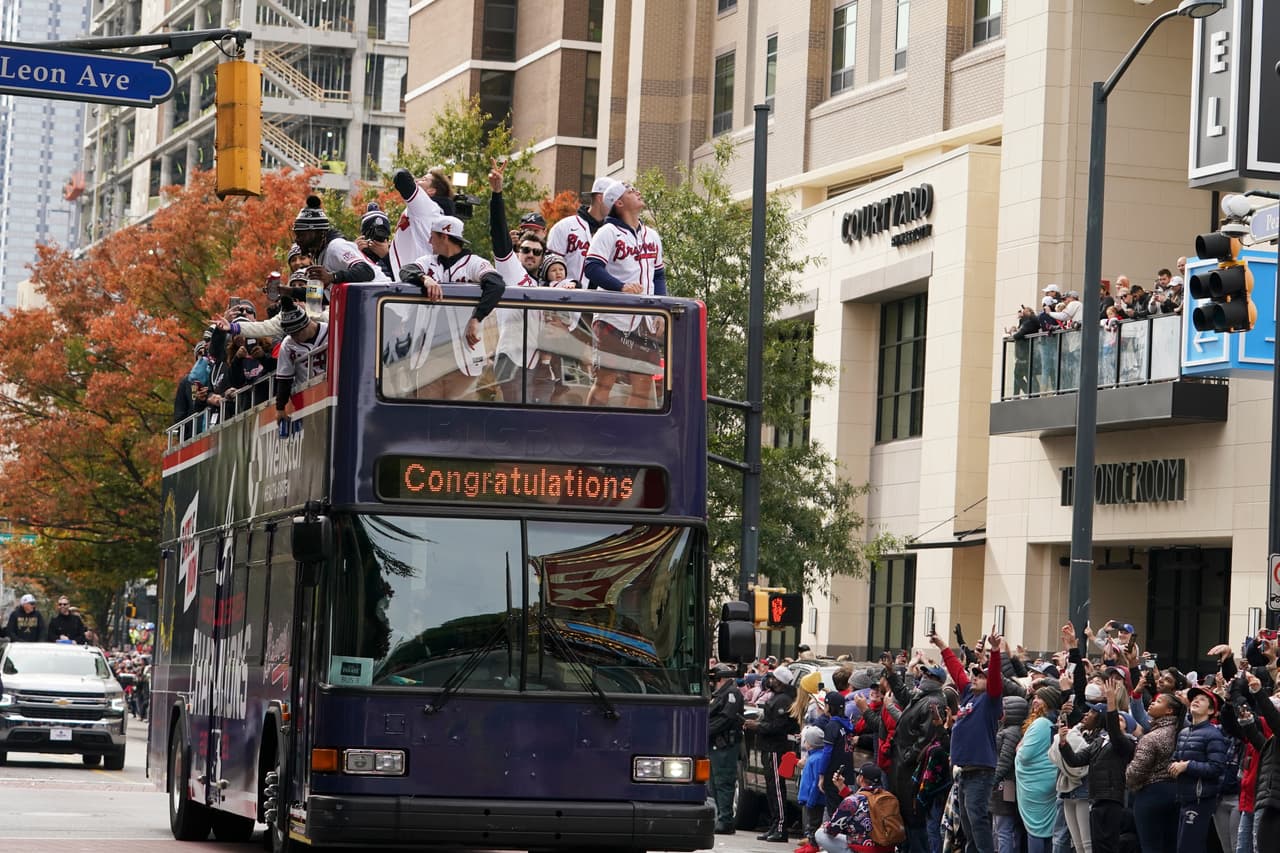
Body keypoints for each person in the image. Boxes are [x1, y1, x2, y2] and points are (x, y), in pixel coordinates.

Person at [396, 216, 507, 400]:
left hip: (465, 356)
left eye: (433, 236)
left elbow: (496, 284)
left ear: (445, 236)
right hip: (431, 354)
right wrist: (425, 279)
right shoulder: (428, 262)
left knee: (460, 417)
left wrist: (476, 318)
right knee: (429, 415)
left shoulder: (473, 263)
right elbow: (405, 271)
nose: (430, 241)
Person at [583, 181, 667, 408]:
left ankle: (629, 435)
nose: (638, 192)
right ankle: (593, 430)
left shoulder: (652, 235)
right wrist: (620, 286)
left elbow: (659, 276)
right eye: (630, 191)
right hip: (614, 317)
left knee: (643, 384)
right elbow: (591, 267)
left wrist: (661, 310)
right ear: (618, 203)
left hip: (644, 320)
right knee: (605, 380)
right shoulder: (608, 232)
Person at [940, 625, 1003, 853]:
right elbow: (957, 671)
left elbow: (995, 680)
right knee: (967, 823)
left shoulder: (990, 700)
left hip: (981, 771)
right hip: (964, 771)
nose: (974, 677)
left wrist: (995, 652)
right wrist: (943, 647)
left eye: (980, 676)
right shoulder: (968, 696)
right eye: (974, 674)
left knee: (977, 819)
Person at [1056, 683, 1135, 853]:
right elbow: (1075, 760)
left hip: (1112, 798)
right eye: (1116, 718)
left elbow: (1115, 732)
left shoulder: (1126, 743)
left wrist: (1112, 703)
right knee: (1097, 844)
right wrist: (1063, 743)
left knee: (1109, 845)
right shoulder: (1099, 742)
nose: (1117, 721)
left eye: (1121, 719)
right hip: (1096, 798)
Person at [745, 664, 799, 842]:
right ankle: (774, 825)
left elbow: (779, 726)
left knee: (776, 788)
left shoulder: (783, 700)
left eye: (774, 678)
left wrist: (758, 726)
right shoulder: (777, 697)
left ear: (780, 682)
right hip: (768, 748)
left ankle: (781, 827)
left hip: (776, 748)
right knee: (770, 788)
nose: (770, 680)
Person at [1170, 684, 1227, 853]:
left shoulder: (1213, 734)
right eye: (1194, 698)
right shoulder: (1184, 732)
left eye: (1202, 700)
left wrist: (1187, 766)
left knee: (1190, 847)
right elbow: (1176, 758)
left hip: (1200, 799)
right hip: (1183, 796)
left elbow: (1216, 768)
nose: (1196, 701)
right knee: (1182, 847)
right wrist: (1173, 765)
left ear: (1210, 711)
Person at [1125, 689, 1184, 852]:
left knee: (1151, 846)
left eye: (1158, 702)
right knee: (1171, 845)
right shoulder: (1182, 732)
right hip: (1177, 792)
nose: (1151, 703)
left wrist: (1129, 778)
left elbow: (1136, 772)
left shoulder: (1152, 737)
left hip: (1151, 794)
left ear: (1169, 711)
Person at [291, 194, 385, 287]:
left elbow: (367, 271)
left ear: (318, 232)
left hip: (382, 295)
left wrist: (332, 277)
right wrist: (289, 292)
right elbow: (324, 296)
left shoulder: (336, 246)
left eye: (301, 235)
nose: (297, 239)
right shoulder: (320, 254)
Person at [815, 763, 900, 853]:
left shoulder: (853, 801)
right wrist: (841, 787)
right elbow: (861, 803)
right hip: (887, 848)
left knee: (820, 834)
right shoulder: (889, 797)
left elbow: (832, 830)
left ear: (861, 778)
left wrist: (825, 825)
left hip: (865, 849)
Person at [547, 176, 616, 286]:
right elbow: (548, 270)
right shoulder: (564, 227)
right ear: (600, 198)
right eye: (613, 199)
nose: (616, 204)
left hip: (604, 299)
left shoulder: (615, 232)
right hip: (570, 298)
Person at [273, 298, 329, 428]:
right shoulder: (288, 344)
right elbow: (284, 378)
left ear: (306, 324)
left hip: (330, 388)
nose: (294, 337)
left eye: (296, 333)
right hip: (307, 397)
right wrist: (280, 408)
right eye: (291, 334)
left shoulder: (330, 331)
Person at [707, 663, 744, 834]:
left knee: (724, 782)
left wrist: (705, 730)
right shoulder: (719, 694)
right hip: (715, 744)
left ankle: (726, 819)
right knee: (714, 782)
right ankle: (720, 816)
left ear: (720, 678)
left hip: (725, 745)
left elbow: (725, 718)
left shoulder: (732, 694)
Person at [990, 695, 1029, 853]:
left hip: (1005, 785)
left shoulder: (1012, 732)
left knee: (1004, 830)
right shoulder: (1006, 729)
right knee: (1001, 829)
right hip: (1003, 785)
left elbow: (1005, 761)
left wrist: (990, 781)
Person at [356, 202, 394, 280]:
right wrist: (355, 252)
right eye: (372, 233)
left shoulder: (396, 254)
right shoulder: (357, 252)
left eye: (382, 231)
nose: (378, 236)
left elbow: (403, 278)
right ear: (364, 236)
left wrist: (387, 257)